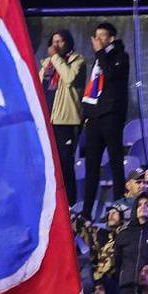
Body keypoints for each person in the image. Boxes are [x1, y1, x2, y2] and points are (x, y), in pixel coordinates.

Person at [79, 23, 129, 217]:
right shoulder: (98, 59)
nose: (97, 39)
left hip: (111, 115)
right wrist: (86, 115)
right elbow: (92, 87)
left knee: (116, 162)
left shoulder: (120, 57)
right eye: (96, 36)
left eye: (102, 36)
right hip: (94, 117)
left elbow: (110, 74)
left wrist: (100, 52)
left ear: (111, 38)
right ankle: (86, 212)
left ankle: (119, 207)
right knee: (91, 165)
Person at [40, 29, 85, 205]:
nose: (56, 45)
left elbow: (69, 78)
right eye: (54, 42)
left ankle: (70, 204)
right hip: (48, 119)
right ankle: (54, 203)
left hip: (66, 121)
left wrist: (56, 58)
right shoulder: (47, 64)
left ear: (67, 42)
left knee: (65, 164)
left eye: (60, 41)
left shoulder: (77, 61)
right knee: (50, 164)